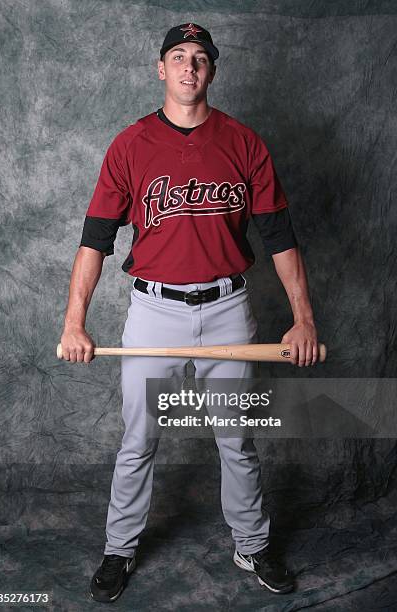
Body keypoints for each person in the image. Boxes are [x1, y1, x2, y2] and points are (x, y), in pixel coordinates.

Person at [60, 22, 318, 604]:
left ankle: (251, 543)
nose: (189, 67)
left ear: (212, 71)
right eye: (178, 57)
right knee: (138, 439)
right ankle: (120, 549)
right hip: (155, 311)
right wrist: (74, 321)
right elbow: (95, 240)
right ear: (161, 68)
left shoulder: (245, 143)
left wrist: (303, 318)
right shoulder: (130, 145)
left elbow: (281, 237)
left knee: (237, 438)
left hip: (228, 307)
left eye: (200, 58)